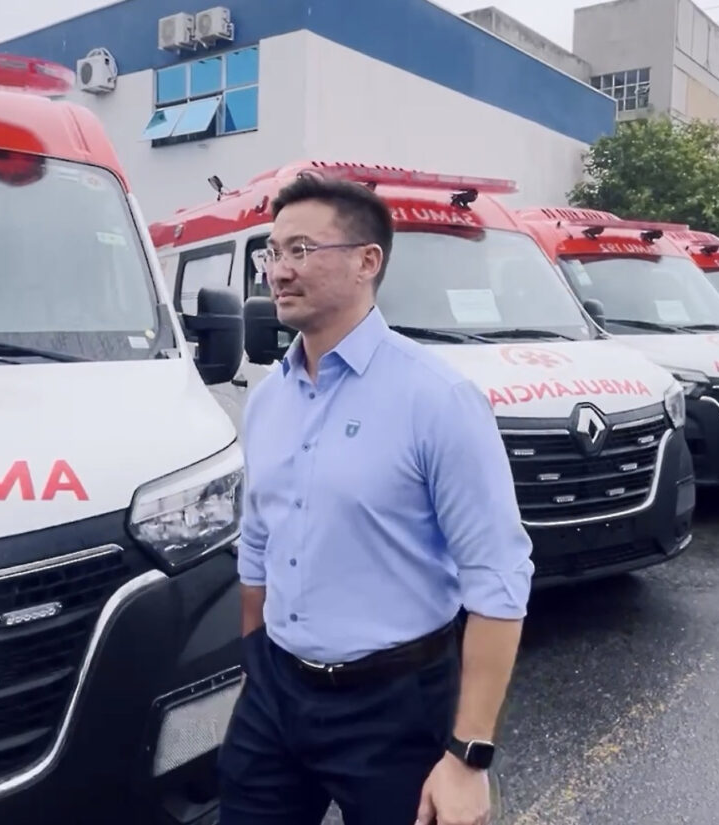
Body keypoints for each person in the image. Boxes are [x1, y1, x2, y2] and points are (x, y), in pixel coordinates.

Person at [217, 173, 534, 825]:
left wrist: (468, 755)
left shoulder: (436, 399)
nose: (278, 270)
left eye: (301, 249)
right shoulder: (269, 399)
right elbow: (257, 546)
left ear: (368, 261)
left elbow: (498, 580)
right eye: (272, 252)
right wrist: (255, 665)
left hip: (396, 707)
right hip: (275, 694)